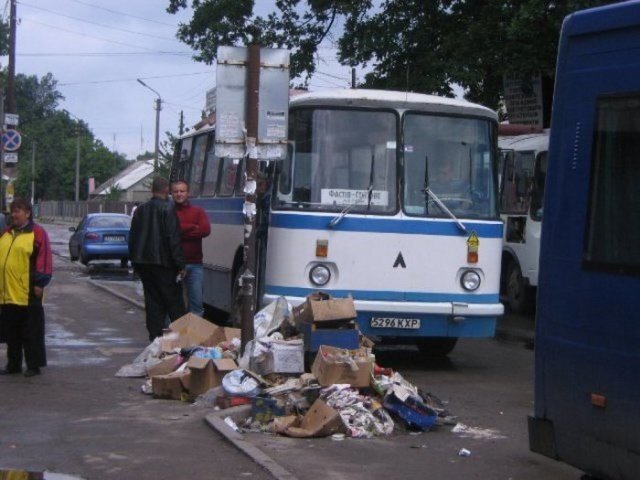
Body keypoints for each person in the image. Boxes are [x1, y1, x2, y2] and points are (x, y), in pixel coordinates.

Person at [129, 176, 186, 341]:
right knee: (174, 303)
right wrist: (180, 264)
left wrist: (135, 262)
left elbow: (133, 237)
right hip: (164, 263)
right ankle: (180, 339)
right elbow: (173, 239)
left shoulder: (140, 210)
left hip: (144, 263)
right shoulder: (168, 209)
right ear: (166, 190)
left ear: (152, 190)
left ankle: (154, 337)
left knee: (153, 303)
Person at [0, 198, 53, 377]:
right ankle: (13, 364)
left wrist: (40, 283)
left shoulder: (37, 233)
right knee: (11, 332)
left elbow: (44, 259)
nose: (14, 214)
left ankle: (33, 365)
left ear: (28, 213)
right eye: (13, 211)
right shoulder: (6, 233)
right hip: (7, 293)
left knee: (31, 332)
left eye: (18, 211)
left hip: (27, 291)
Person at [171, 180, 211, 317]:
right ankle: (170, 337)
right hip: (173, 265)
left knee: (197, 305)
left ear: (188, 193)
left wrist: (179, 232)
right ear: (172, 194)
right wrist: (192, 227)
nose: (179, 194)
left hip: (195, 265)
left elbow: (205, 230)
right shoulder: (168, 211)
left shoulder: (198, 211)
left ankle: (193, 337)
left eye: (182, 191)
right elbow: (168, 231)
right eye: (176, 191)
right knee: (172, 304)